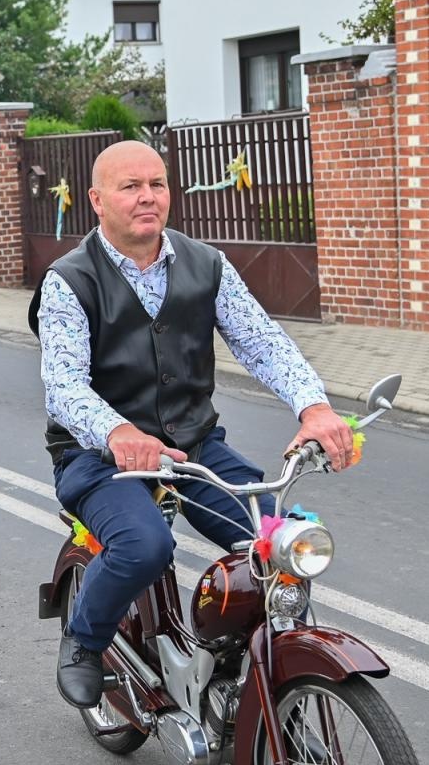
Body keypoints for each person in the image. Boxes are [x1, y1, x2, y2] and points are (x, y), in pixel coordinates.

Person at [31, 140, 355, 709]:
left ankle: (255, 671)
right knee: (144, 545)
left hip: (195, 446)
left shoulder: (206, 264)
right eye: (130, 187)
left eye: (156, 184)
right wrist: (115, 432)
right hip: (99, 457)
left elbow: (261, 343)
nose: (147, 197)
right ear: (97, 200)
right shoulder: (69, 280)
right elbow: (63, 386)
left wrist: (314, 407)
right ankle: (84, 640)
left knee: (278, 546)